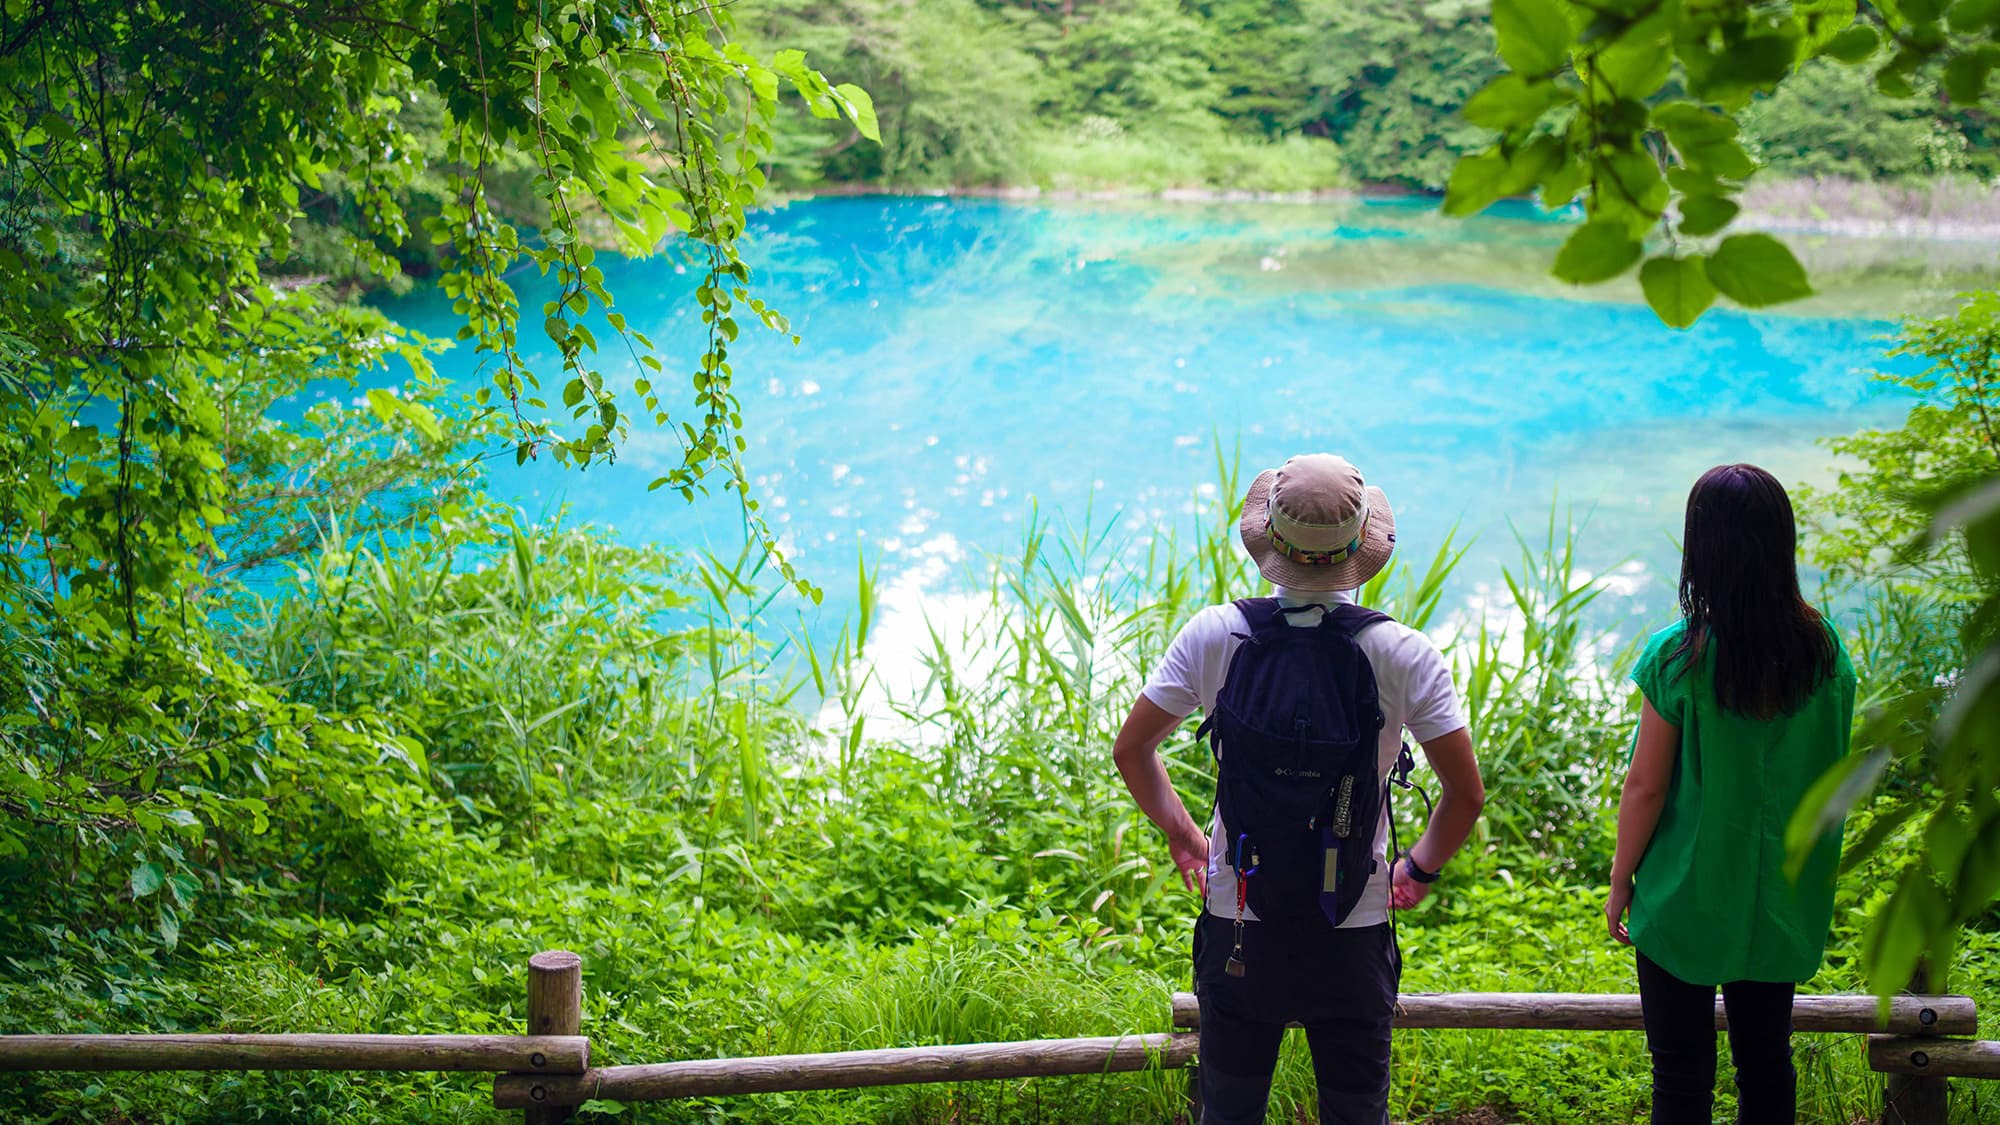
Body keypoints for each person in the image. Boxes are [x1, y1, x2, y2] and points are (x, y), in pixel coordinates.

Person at [1113, 453, 1485, 1125]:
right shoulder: (1403, 654)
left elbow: (1132, 749)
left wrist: (1188, 839)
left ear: (1269, 541)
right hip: (1354, 923)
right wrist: (1418, 866)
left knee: (1229, 1111)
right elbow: (1465, 794)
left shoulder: (1214, 635)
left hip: (1239, 922)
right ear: (1361, 545)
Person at [1606, 463, 1857, 1125]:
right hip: (1783, 897)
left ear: (1701, 547)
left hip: (1683, 899)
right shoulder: (1827, 655)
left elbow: (1646, 785)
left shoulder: (1678, 657)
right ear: (1782, 542)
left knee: (1681, 1077)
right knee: (1767, 1064)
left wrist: (1620, 878)